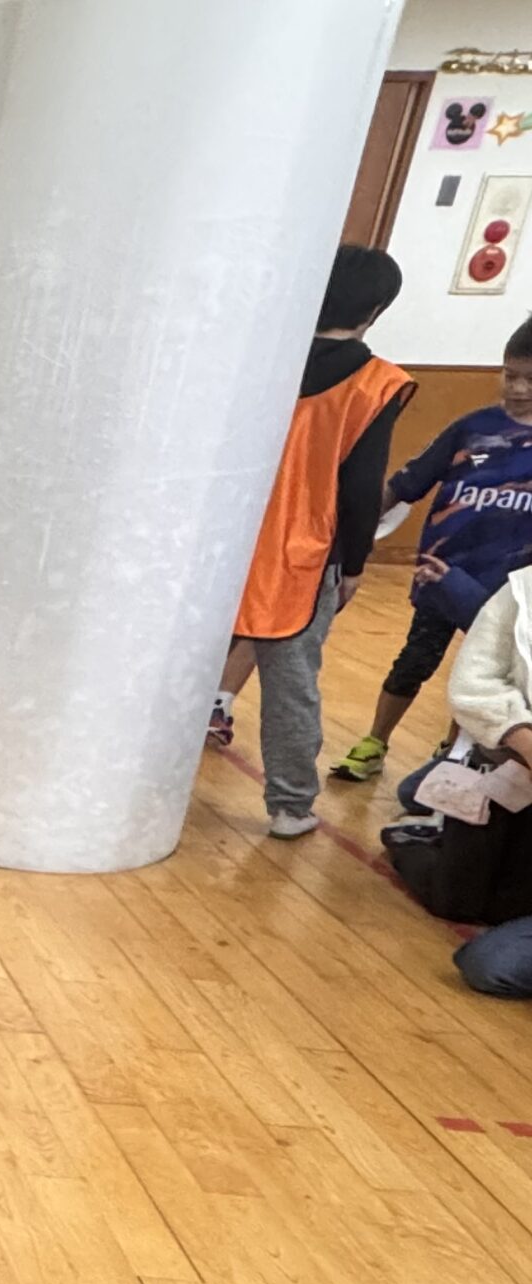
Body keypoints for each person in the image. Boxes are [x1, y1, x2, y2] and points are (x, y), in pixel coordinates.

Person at [205, 244, 413, 839]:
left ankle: (146, 773)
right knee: (291, 683)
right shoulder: (376, 384)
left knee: (184, 665)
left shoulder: (263, 362)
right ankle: (291, 806)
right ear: (375, 310)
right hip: (302, 553)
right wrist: (356, 563)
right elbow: (361, 487)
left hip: (220, 542)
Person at [329, 315, 532, 782]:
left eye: (530, 378)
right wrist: (350, 530)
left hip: (509, 593)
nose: (518, 388)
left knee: (487, 674)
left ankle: (456, 752)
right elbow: (406, 483)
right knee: (415, 661)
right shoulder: (472, 429)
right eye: (510, 375)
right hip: (444, 573)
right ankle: (375, 741)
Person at [444, 560, 532, 992]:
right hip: (514, 775)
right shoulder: (522, 589)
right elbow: (472, 684)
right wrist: (524, 739)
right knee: (487, 959)